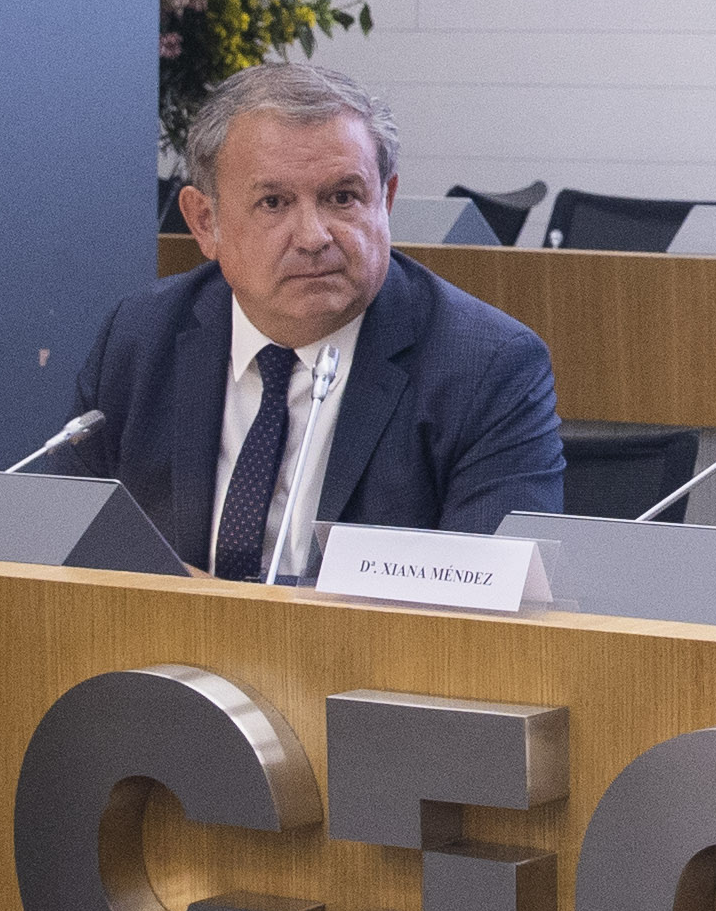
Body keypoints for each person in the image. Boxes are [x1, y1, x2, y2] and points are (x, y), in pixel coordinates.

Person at [65, 58, 566, 580]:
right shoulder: (142, 336)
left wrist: (231, 613)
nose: (313, 237)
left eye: (342, 198)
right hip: (162, 659)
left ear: (386, 201)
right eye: (273, 202)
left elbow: (491, 611)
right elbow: (70, 549)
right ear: (204, 222)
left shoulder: (486, 366)